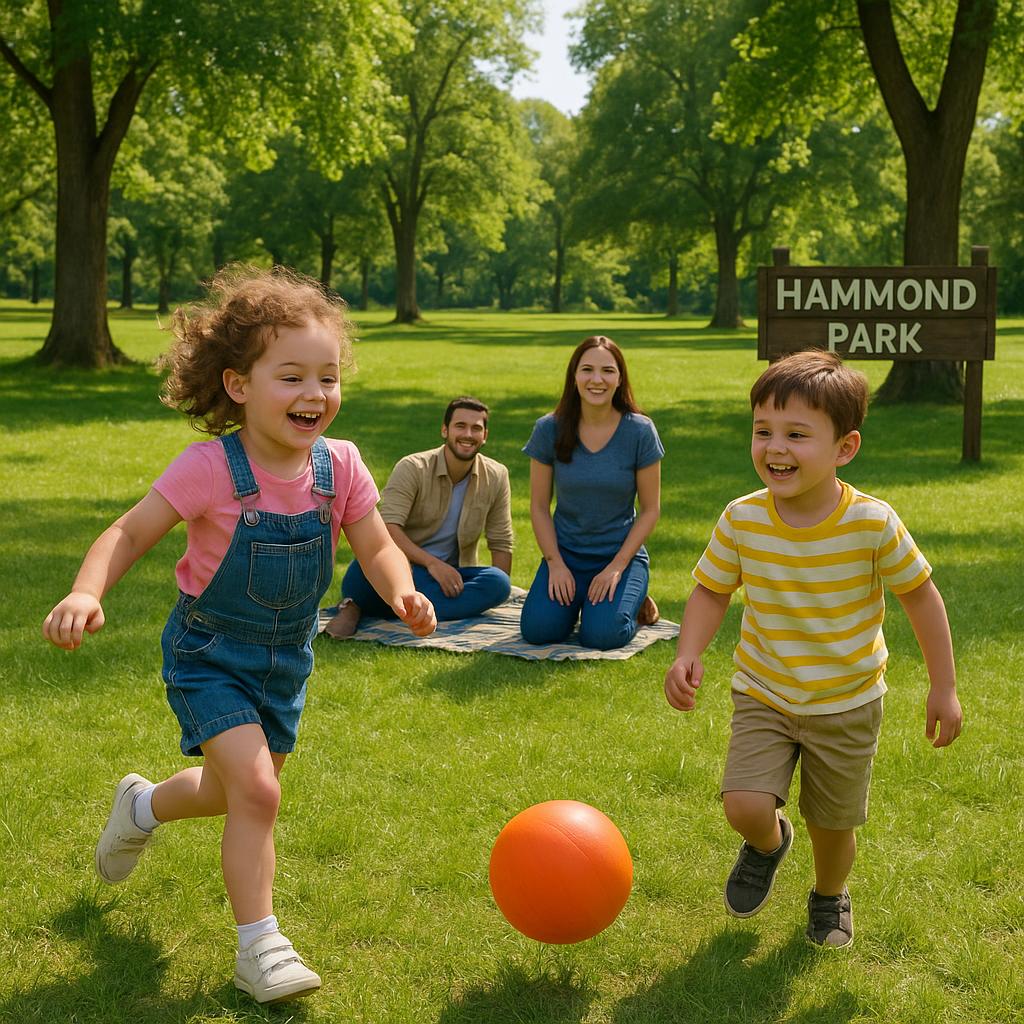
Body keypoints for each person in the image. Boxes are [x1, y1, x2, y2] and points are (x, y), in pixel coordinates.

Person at [41, 265, 435, 1005]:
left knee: (236, 793)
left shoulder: (340, 465)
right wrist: (85, 590)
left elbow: (376, 545)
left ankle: (142, 807)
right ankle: (261, 948)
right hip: (209, 653)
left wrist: (403, 590)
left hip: (286, 661)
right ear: (237, 385)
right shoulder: (210, 469)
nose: (314, 394)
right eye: (291, 377)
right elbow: (129, 534)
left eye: (327, 377)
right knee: (257, 791)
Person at [664, 349, 962, 948]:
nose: (775, 448)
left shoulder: (872, 523)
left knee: (833, 826)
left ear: (844, 448)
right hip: (764, 690)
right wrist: (687, 650)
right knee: (744, 804)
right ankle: (769, 842)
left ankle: (829, 897)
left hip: (847, 701)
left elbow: (922, 598)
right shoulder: (742, 518)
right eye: (763, 431)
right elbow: (711, 590)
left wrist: (944, 686)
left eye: (797, 435)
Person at [324, 396, 513, 637]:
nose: (468, 434)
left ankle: (377, 606)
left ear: (485, 435)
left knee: (498, 582)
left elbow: (501, 540)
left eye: (476, 428)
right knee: (364, 570)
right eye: (460, 426)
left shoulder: (496, 476)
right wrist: (433, 564)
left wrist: (499, 597)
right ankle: (391, 605)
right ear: (445, 430)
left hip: (448, 579)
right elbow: (388, 528)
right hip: (401, 569)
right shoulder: (413, 467)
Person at [520, 335, 662, 650]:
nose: (596, 379)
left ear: (620, 378)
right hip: (566, 555)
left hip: (618, 556)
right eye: (587, 370)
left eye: (607, 371)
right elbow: (539, 507)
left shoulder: (640, 431)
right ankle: (583, 602)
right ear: (574, 376)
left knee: (601, 636)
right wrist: (555, 564)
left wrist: (616, 567)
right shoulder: (548, 429)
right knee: (538, 631)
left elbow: (651, 509)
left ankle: (634, 602)